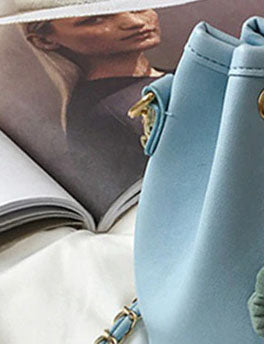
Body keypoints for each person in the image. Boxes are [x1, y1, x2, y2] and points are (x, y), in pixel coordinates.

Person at [22, 11, 166, 215]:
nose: (135, 22)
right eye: (94, 19)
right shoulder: (108, 113)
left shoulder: (165, 79)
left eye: (136, 5)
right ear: (44, 40)